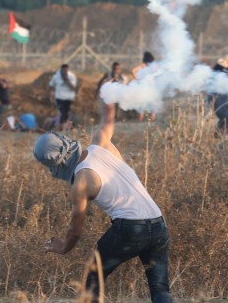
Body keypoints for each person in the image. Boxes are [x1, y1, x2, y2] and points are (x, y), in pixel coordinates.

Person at [33, 101, 172, 302]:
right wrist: (109, 95)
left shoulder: (81, 183)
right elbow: (108, 118)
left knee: (93, 276)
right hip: (159, 224)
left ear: (57, 163)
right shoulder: (102, 144)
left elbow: (75, 230)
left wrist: (63, 247)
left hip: (130, 229)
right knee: (160, 288)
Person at [49, 64, 77, 131]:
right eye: (63, 71)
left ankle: (63, 127)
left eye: (66, 71)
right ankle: (61, 127)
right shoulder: (56, 77)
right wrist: (51, 94)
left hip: (68, 99)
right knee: (62, 113)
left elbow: (73, 88)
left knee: (67, 113)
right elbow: (51, 85)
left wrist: (68, 80)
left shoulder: (72, 76)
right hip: (59, 98)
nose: (64, 72)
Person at [132, 52, 157, 122]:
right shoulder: (153, 66)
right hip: (150, 87)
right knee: (152, 104)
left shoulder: (143, 65)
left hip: (143, 87)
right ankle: (151, 120)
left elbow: (133, 71)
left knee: (142, 105)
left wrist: (137, 79)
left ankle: (141, 120)